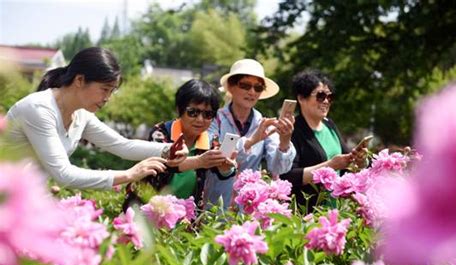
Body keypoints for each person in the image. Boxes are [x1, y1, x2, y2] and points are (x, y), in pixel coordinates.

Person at [5, 47, 186, 190]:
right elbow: (64, 174)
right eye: (104, 89)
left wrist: (169, 149)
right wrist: (129, 174)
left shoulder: (81, 115)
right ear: (80, 80)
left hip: (21, 200)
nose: (108, 98)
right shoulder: (40, 109)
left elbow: (122, 146)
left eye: (111, 91)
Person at [124, 79, 236, 209]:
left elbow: (222, 172)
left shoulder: (211, 140)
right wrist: (200, 161)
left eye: (208, 114)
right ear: (179, 110)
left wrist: (225, 168)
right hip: (147, 210)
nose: (200, 119)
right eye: (193, 112)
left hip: (185, 217)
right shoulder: (161, 133)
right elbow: (165, 165)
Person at [203, 59, 296, 210]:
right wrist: (251, 141)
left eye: (258, 88)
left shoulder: (264, 123)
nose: (252, 92)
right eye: (245, 85)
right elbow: (215, 157)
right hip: (213, 209)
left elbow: (278, 169)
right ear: (230, 87)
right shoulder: (214, 119)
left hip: (248, 212)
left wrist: (285, 141)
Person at [280, 69, 366, 208]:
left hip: (334, 211)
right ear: (301, 98)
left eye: (329, 97)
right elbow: (288, 176)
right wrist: (330, 166)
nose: (326, 101)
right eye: (320, 96)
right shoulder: (291, 130)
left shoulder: (330, 125)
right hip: (306, 214)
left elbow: (345, 165)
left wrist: (360, 161)